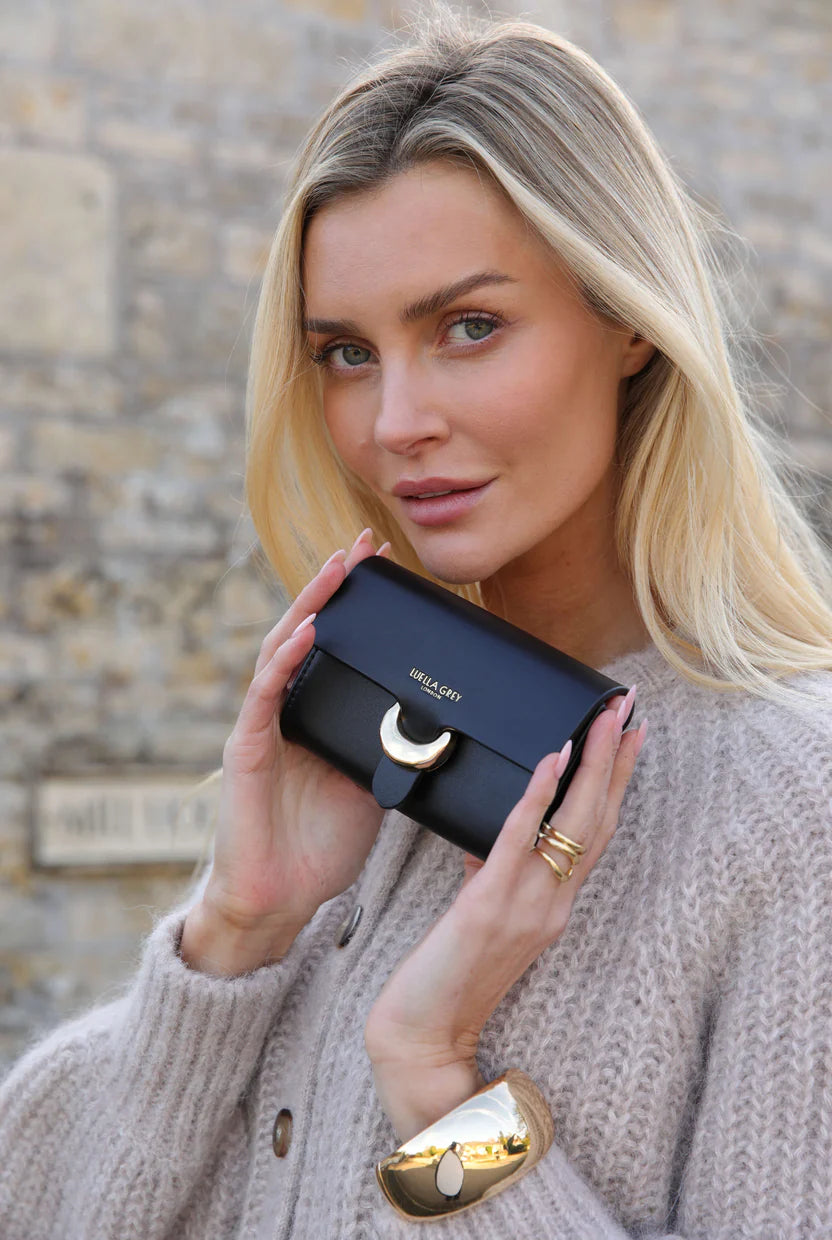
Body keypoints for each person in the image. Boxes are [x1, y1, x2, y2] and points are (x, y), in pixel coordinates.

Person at [2, 5, 831, 1238]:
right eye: (346, 352)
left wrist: (437, 1083)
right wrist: (238, 932)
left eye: (468, 327)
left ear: (629, 323)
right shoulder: (362, 739)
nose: (394, 423)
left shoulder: (793, 811)